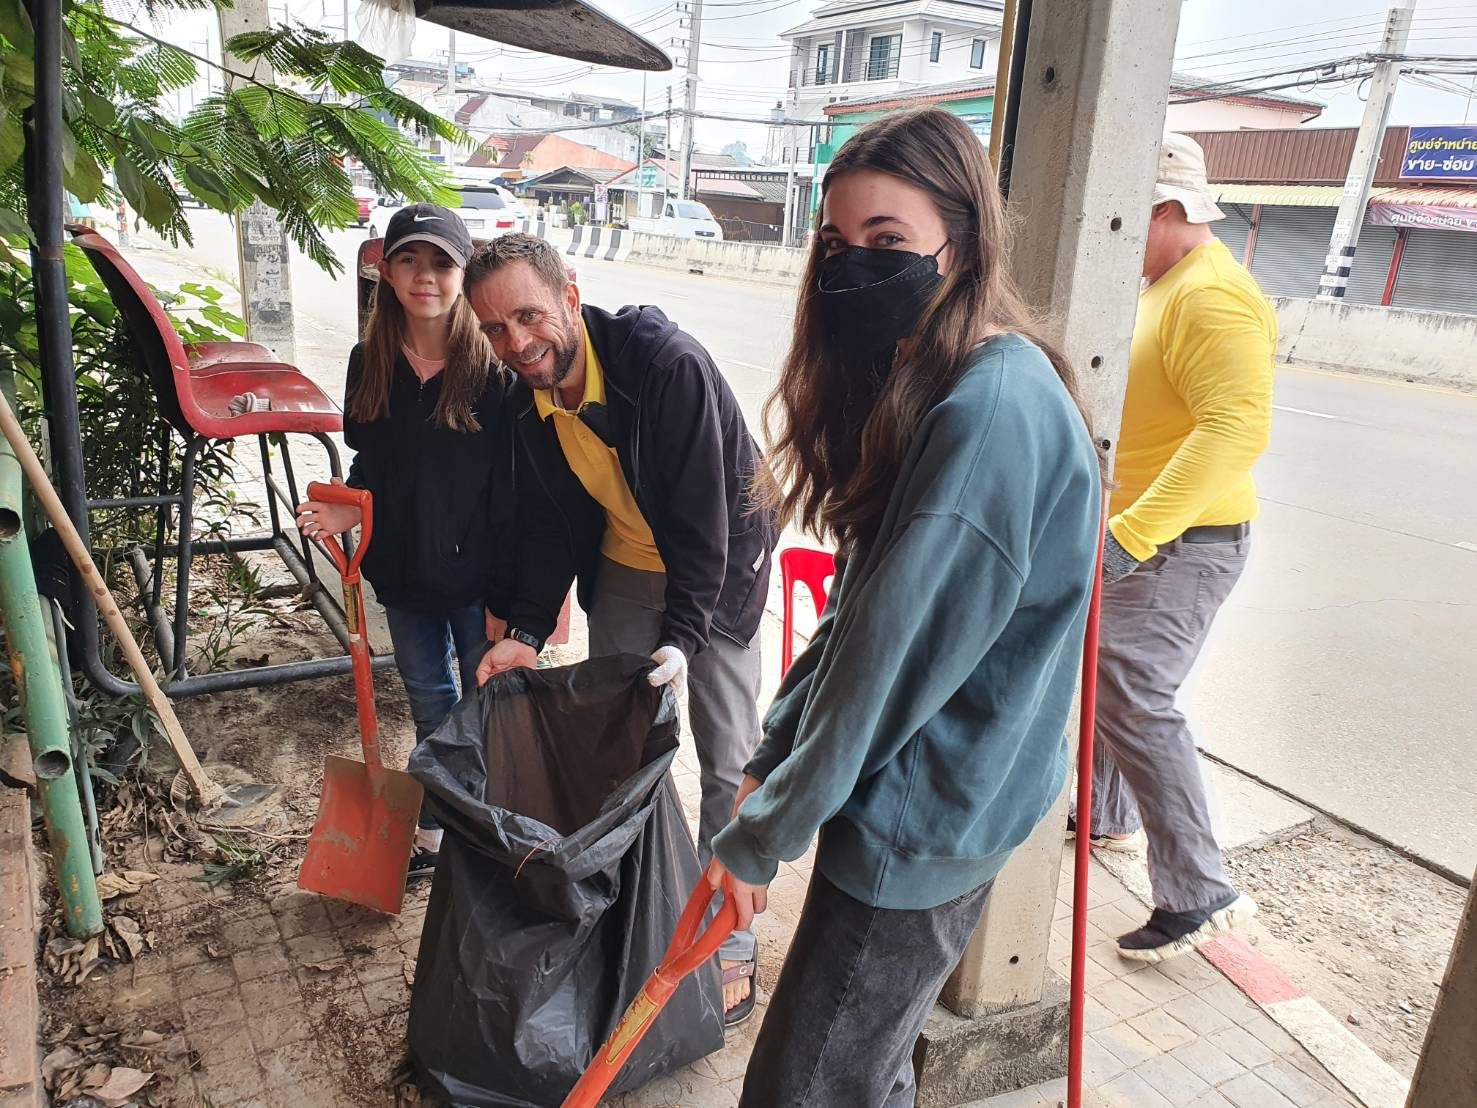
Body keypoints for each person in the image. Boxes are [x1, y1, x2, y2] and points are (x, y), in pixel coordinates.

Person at [705, 107, 1102, 1106]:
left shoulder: (986, 414)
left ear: (959, 244)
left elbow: (885, 666)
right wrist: (770, 758)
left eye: (888, 242)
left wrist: (761, 835)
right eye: (836, 244)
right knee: (860, 1070)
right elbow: (858, 611)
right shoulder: (940, 378)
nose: (853, 268)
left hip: (923, 811)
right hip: (937, 797)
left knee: (804, 1089)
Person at [464, 234, 776, 1025]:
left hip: (719, 561)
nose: (516, 343)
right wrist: (528, 630)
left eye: (528, 316)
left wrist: (684, 637)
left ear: (570, 296)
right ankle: (639, 903)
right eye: (494, 329)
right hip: (626, 561)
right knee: (619, 747)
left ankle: (727, 932)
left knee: (727, 751)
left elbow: (705, 521)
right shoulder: (525, 395)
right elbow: (548, 523)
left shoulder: (665, 366)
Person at [1084, 132, 1273, 963]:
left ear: (1164, 207)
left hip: (1183, 543)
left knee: (1132, 693)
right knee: (1105, 673)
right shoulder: (1164, 285)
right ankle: (1105, 815)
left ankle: (1198, 892)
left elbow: (1234, 431)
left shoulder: (1212, 295)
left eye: (1123, 217)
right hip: (1155, 533)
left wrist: (1130, 535)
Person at [295, 205, 512, 878]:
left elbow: (514, 485)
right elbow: (375, 464)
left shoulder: (493, 370)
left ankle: (483, 818)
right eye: (410, 261)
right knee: (427, 698)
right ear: (386, 272)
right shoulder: (370, 361)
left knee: (484, 703)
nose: (425, 277)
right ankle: (437, 824)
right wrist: (349, 509)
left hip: (478, 577)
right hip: (401, 569)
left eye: (442, 263)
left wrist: (521, 595)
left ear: (463, 273)